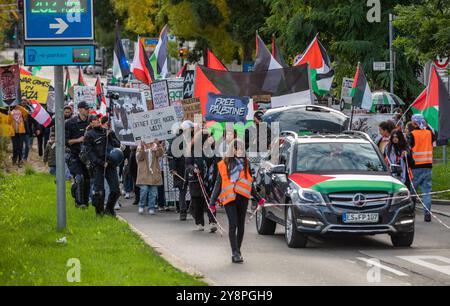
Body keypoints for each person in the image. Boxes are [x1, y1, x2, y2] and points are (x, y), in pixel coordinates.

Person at [210, 139, 262, 263]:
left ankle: (237, 250)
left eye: (241, 149)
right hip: (229, 199)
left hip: (243, 198)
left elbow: (250, 183)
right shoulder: (223, 164)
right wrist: (212, 202)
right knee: (233, 225)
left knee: (241, 226)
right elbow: (218, 183)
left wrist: (259, 198)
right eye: (236, 148)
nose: (239, 151)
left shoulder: (246, 163)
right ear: (231, 149)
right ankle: (234, 253)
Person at [83, 114, 121, 216]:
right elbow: (89, 153)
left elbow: (117, 144)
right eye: (94, 120)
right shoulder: (89, 135)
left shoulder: (108, 131)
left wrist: (110, 137)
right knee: (99, 192)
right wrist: (100, 162)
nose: (97, 120)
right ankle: (99, 212)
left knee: (116, 190)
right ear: (91, 123)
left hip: (111, 164)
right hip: (98, 166)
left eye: (97, 119)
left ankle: (109, 209)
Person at [184, 131, 217, 232]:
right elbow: (188, 164)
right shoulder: (193, 150)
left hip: (209, 180)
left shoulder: (212, 150)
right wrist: (193, 169)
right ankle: (199, 222)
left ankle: (212, 222)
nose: (211, 138)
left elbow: (217, 162)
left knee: (211, 201)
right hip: (196, 180)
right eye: (209, 137)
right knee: (198, 203)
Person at [407, 117, 436, 222]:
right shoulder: (429, 133)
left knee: (412, 191)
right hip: (428, 166)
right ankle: (427, 214)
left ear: (415, 123)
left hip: (416, 166)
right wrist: (426, 125)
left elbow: (408, 148)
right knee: (426, 192)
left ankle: (410, 212)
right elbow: (434, 138)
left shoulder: (412, 134)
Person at [65, 101, 91, 208]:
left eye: (88, 108)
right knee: (79, 178)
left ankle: (85, 203)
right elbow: (66, 141)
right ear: (80, 109)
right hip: (74, 155)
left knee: (87, 180)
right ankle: (79, 203)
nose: (87, 110)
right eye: (85, 108)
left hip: (87, 157)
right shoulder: (70, 123)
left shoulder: (91, 121)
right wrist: (79, 140)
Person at [136, 140, 165, 215]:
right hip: (144, 173)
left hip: (153, 173)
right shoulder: (140, 146)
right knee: (144, 190)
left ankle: (151, 207)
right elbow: (139, 157)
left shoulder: (155, 145)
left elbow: (161, 154)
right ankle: (141, 205)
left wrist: (158, 144)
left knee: (153, 192)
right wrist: (142, 147)